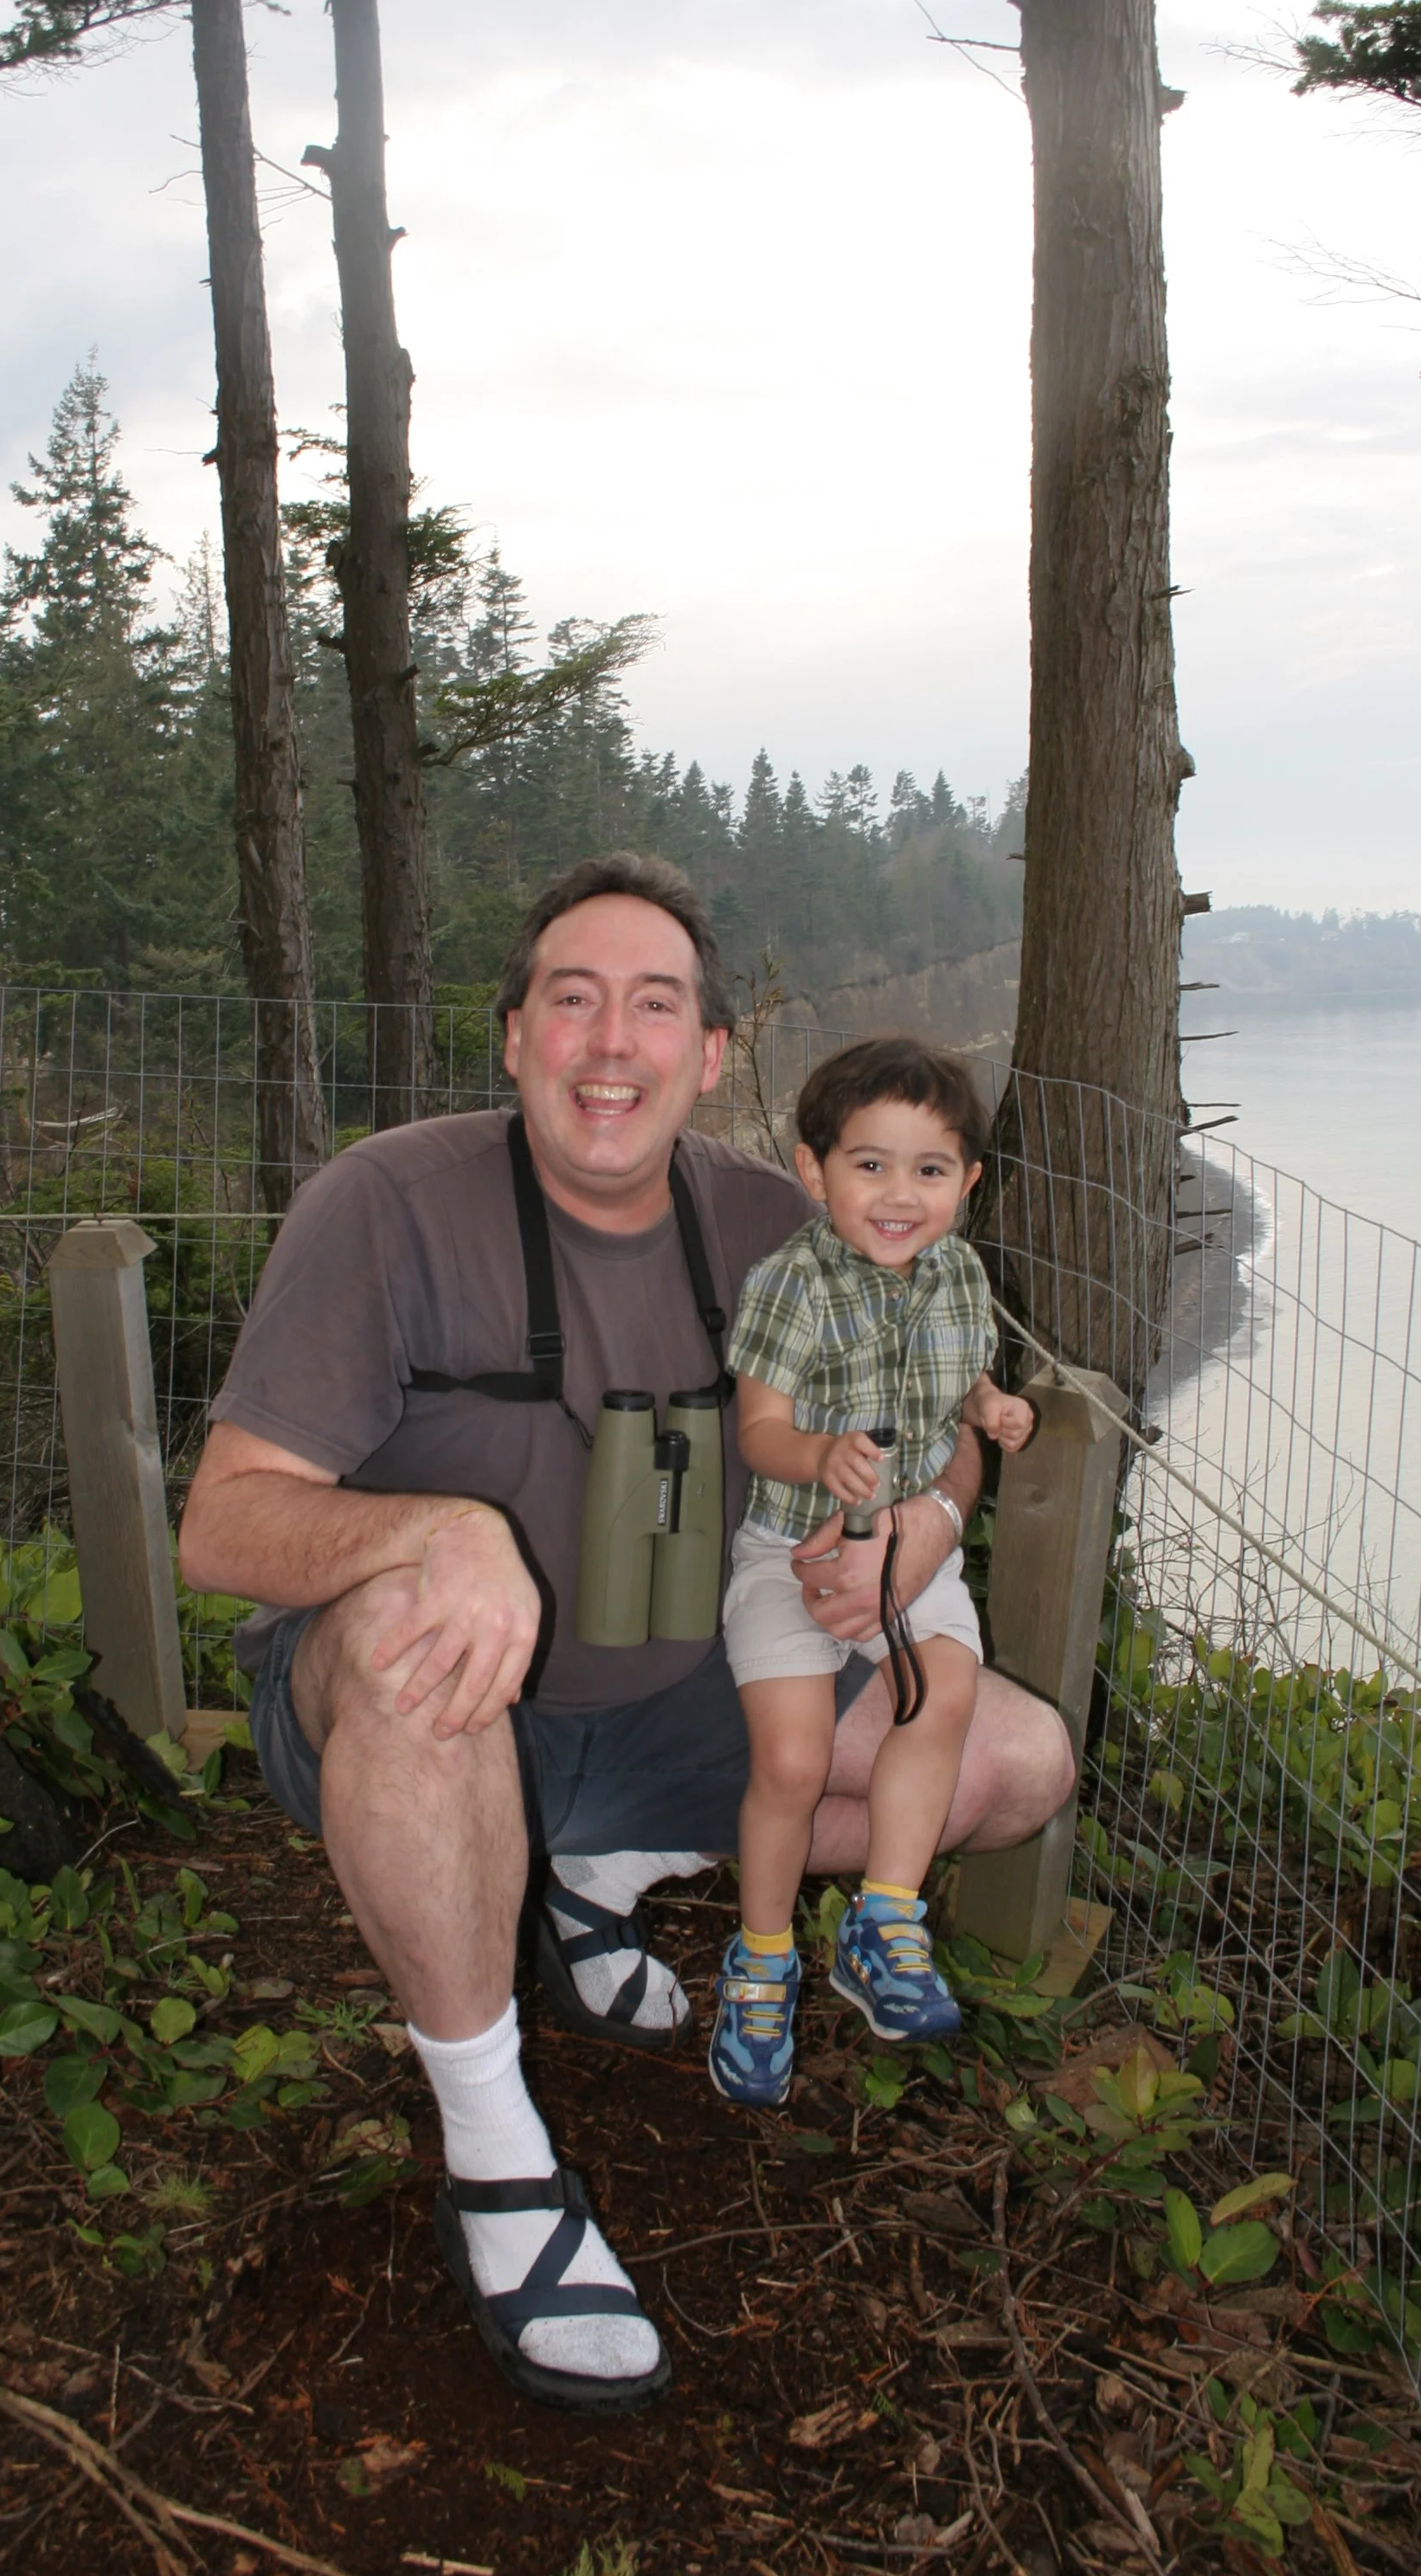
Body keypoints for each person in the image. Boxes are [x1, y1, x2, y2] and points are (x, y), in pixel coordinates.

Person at [177, 854, 1077, 2418]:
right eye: (571, 1000)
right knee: (407, 1626)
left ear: (712, 1053)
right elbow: (221, 1523)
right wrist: (428, 1530)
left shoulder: (774, 1226)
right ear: (513, 1033)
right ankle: (495, 2145)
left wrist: (921, 1532)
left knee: (1012, 1756)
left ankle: (593, 1875)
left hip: (678, 1695)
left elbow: (950, 1424)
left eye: (654, 1004)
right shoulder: (381, 1204)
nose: (612, 1042)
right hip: (425, 1718)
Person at [710, 1040, 1038, 2109]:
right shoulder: (789, 1284)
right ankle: (761, 1962)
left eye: (929, 1171)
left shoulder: (959, 1272)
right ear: (813, 1172)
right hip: (788, 1549)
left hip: (900, 1549)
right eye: (869, 1166)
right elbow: (755, 1428)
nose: (900, 1196)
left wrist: (987, 1408)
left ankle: (884, 1919)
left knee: (939, 1695)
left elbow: (958, 1370)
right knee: (793, 1762)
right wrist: (818, 1454)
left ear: (966, 1182)